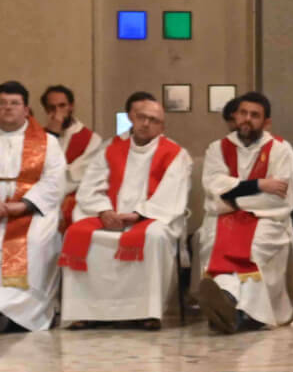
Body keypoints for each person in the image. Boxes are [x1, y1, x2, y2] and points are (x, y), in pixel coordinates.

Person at [59, 92, 191, 329]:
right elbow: (90, 186)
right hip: (110, 216)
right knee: (76, 233)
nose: (146, 124)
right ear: (132, 118)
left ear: (162, 126)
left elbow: (172, 195)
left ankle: (148, 312)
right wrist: (104, 211)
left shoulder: (175, 154)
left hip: (151, 217)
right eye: (141, 117)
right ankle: (85, 311)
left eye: (153, 120)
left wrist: (138, 214)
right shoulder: (110, 148)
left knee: (155, 236)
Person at [194, 92, 293, 333]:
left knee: (255, 246)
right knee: (213, 242)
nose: (247, 119)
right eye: (243, 113)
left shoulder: (279, 150)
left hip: (267, 219)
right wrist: (258, 185)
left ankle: (233, 306)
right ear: (235, 116)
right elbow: (213, 188)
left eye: (255, 115)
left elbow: (278, 198)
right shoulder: (217, 149)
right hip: (224, 219)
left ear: (266, 122)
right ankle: (234, 307)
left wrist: (232, 197)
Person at [0, 81, 66, 332]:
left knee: (36, 242)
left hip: (33, 211)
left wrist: (22, 206)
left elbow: (54, 181)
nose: (8, 108)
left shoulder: (47, 142)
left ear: (26, 109)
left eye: (14, 103)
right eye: (2, 103)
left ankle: (21, 314)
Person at [40, 84, 102, 233]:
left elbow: (75, 178)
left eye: (62, 106)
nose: (58, 112)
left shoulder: (91, 139)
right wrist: (52, 135)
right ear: (46, 110)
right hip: (42, 195)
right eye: (52, 108)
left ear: (71, 106)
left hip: (74, 196)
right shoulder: (37, 137)